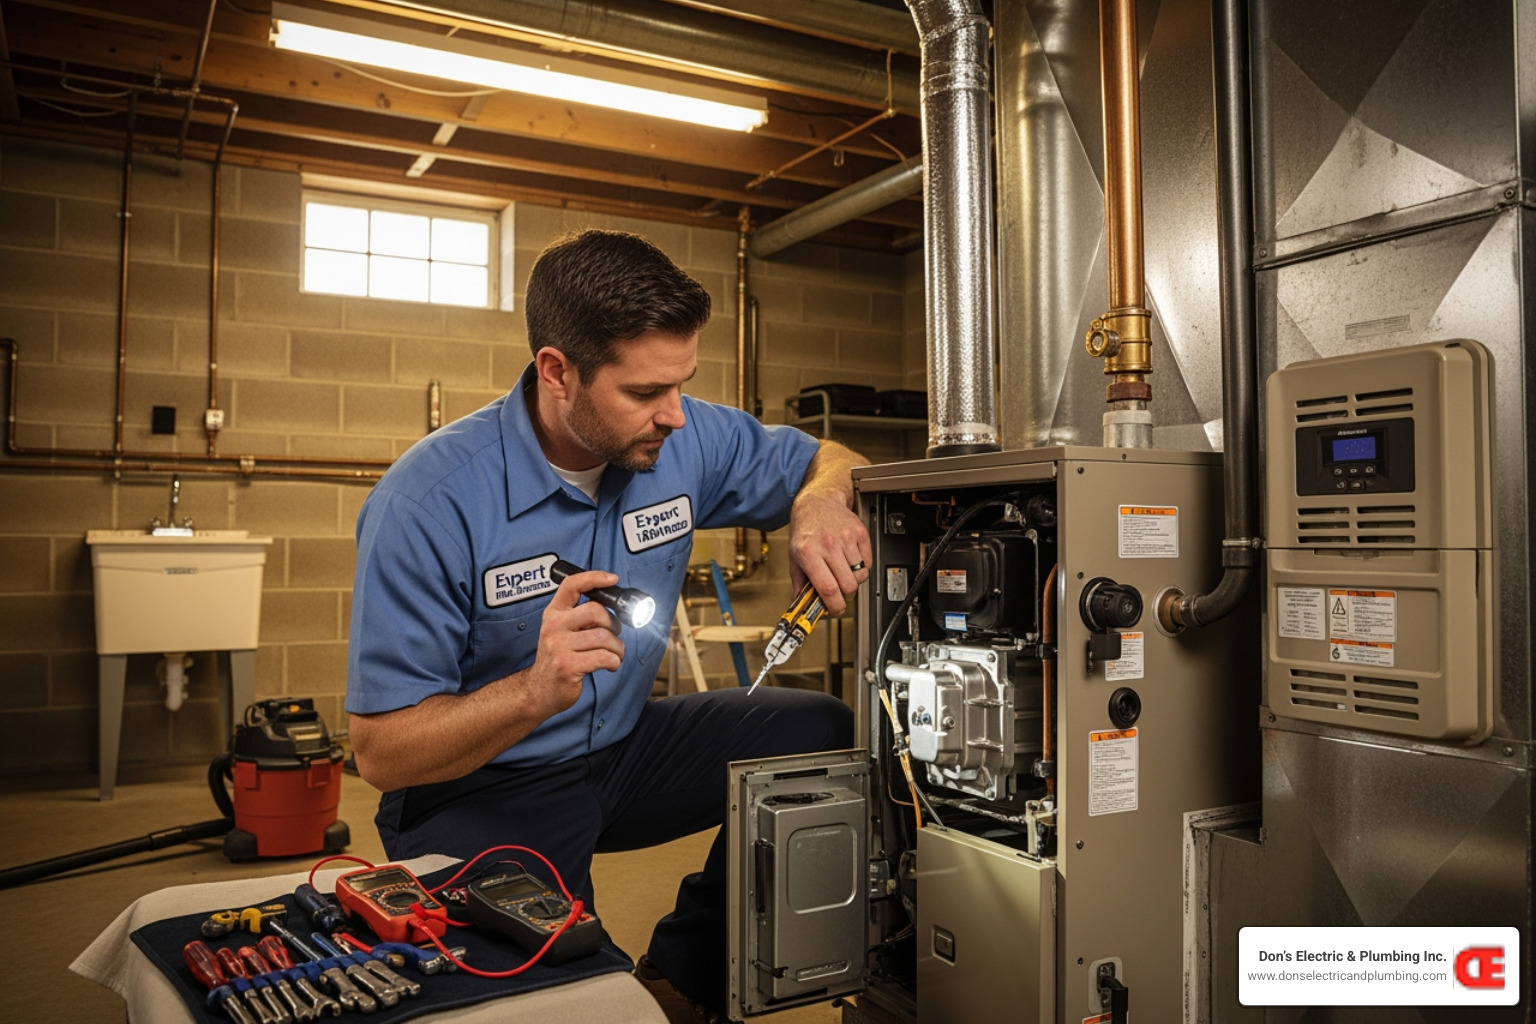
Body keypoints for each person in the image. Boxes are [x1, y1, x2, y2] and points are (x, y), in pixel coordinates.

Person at [345, 229, 871, 1023]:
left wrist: (820, 502)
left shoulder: (685, 437)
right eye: (643, 393)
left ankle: (688, 976)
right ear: (558, 371)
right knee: (573, 992)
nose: (675, 416)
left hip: (623, 751)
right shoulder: (427, 504)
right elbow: (381, 752)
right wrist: (531, 691)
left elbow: (829, 457)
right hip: (482, 784)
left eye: (682, 383)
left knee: (821, 729)